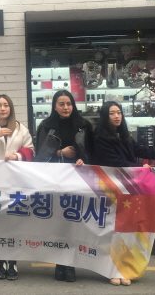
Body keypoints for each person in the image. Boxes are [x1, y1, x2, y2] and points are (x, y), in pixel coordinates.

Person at [92, 101, 155, 287]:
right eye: (112, 113)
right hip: (113, 189)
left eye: (119, 112)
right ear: (105, 116)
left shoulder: (123, 135)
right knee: (112, 230)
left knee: (128, 230)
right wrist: (139, 168)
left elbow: (141, 150)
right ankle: (111, 270)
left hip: (130, 189)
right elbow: (115, 162)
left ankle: (124, 268)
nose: (117, 116)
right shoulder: (100, 138)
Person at [34, 90, 92, 283]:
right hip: (56, 179)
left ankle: (71, 263)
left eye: (69, 103)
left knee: (74, 222)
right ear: (55, 106)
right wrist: (60, 153)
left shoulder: (84, 125)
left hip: (78, 179)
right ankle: (60, 263)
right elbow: (40, 155)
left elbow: (92, 152)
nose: (66, 107)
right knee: (59, 222)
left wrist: (84, 160)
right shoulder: (46, 126)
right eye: (61, 104)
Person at [0, 94, 34, 281]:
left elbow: (30, 150)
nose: (2, 109)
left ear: (10, 108)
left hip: (16, 180)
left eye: (6, 105)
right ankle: (1, 261)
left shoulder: (20, 128)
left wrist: (16, 156)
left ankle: (13, 262)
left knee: (14, 220)